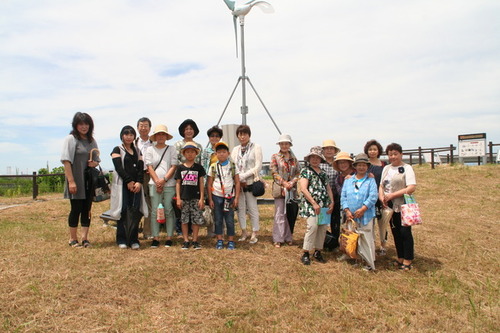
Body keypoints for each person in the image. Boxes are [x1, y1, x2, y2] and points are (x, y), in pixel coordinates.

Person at [61, 112, 100, 248]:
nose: (84, 127)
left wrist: (93, 163)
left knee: (87, 209)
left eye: (86, 124)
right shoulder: (71, 139)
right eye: (81, 124)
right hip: (76, 179)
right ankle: (73, 239)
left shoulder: (91, 141)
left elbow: (96, 160)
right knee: (76, 208)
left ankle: (85, 238)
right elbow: (66, 161)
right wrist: (71, 181)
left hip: (88, 181)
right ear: (75, 125)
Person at [379, 143, 417, 271]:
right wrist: (381, 197)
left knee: (405, 232)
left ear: (401, 154)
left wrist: (392, 195)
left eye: (395, 154)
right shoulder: (386, 168)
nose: (393, 157)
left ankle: (408, 259)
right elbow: (381, 186)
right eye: (390, 154)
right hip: (389, 205)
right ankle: (400, 257)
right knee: (395, 232)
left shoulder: (407, 168)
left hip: (403, 205)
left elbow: (411, 187)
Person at [110, 126, 147, 249]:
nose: (129, 136)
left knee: (135, 211)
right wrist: (128, 181)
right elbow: (118, 167)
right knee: (123, 211)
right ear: (122, 135)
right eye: (126, 134)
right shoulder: (117, 149)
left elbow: (141, 169)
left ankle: (133, 239)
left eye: (131, 134)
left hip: (136, 186)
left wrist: (139, 182)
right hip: (122, 186)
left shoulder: (137, 150)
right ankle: (122, 239)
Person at [341, 153, 378, 271]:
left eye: (364, 165)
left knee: (366, 238)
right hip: (351, 215)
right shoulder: (348, 180)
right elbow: (343, 196)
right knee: (354, 238)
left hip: (365, 214)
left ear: (367, 166)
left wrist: (363, 208)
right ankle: (358, 259)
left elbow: (373, 196)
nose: (361, 167)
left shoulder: (370, 180)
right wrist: (346, 210)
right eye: (359, 165)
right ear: (355, 166)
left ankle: (369, 263)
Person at [299, 146, 334, 265]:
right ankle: (306, 252)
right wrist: (313, 203)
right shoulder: (305, 171)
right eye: (312, 157)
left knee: (322, 228)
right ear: (309, 158)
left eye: (317, 157)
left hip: (323, 204)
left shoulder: (323, 173)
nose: (315, 159)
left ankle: (318, 251)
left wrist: (332, 201)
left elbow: (328, 188)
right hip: (311, 204)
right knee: (312, 226)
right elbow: (303, 189)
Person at [145, 124, 178, 248]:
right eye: (158, 134)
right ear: (155, 136)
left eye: (163, 134)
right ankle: (156, 237)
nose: (161, 136)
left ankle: (169, 237)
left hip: (169, 184)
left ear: (166, 136)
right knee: (154, 211)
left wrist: (163, 180)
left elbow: (173, 166)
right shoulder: (150, 149)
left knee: (169, 210)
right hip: (154, 184)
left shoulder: (172, 149)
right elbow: (149, 167)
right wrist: (157, 181)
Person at [231, 125, 263, 243]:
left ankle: (255, 232)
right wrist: (238, 179)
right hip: (238, 184)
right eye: (240, 134)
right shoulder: (235, 150)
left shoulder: (256, 147)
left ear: (249, 135)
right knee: (240, 208)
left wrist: (243, 177)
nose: (242, 136)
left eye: (245, 134)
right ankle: (244, 231)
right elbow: (233, 166)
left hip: (250, 182)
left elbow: (258, 166)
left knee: (252, 208)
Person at [207, 141, 240, 250]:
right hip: (216, 196)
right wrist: (210, 199)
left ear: (228, 153)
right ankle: (219, 240)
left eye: (224, 152)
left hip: (229, 197)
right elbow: (209, 183)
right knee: (218, 219)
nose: (221, 154)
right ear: (215, 154)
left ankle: (231, 241)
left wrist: (236, 198)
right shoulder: (213, 166)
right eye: (219, 152)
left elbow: (237, 182)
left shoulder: (233, 165)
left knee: (230, 219)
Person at [270, 134, 300, 247]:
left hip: (291, 190)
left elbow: (298, 172)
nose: (284, 145)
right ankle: (278, 238)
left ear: (290, 145)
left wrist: (291, 183)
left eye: (286, 143)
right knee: (279, 214)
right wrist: (284, 183)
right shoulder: (275, 157)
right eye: (282, 143)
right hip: (280, 189)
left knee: (290, 214)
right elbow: (274, 172)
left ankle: (288, 236)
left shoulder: (294, 158)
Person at [174, 119, 203, 235]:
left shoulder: (199, 146)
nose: (189, 131)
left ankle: (193, 232)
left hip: (196, 180)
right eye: (186, 129)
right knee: (181, 206)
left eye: (191, 129)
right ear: (182, 131)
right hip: (181, 179)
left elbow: (201, 163)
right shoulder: (178, 145)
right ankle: (181, 231)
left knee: (195, 207)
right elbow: (175, 162)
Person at [175, 142, 206, 250]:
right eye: (187, 152)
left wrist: (202, 198)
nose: (190, 154)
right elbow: (178, 183)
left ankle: (195, 240)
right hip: (184, 198)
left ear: (195, 154)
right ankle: (186, 240)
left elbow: (201, 183)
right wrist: (178, 198)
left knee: (196, 219)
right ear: (184, 154)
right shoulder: (180, 168)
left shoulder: (199, 168)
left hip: (196, 198)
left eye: (192, 152)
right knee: (184, 220)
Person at [363, 139, 388, 255]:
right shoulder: (365, 164)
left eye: (374, 149)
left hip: (382, 196)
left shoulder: (384, 165)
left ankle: (383, 246)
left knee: (383, 222)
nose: (372, 151)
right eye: (370, 149)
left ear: (378, 151)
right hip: (368, 197)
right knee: (370, 222)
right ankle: (371, 244)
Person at [200, 125, 223, 238]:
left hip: (222, 183)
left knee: (221, 207)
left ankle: (221, 230)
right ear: (209, 138)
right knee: (210, 206)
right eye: (212, 136)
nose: (214, 138)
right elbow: (203, 167)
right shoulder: (205, 152)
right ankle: (210, 231)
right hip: (209, 183)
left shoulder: (224, 151)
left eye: (217, 136)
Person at [320, 139, 341, 250]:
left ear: (335, 151)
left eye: (331, 148)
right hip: (322, 198)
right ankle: (323, 242)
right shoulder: (319, 164)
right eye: (326, 148)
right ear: (323, 151)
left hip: (336, 197)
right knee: (322, 222)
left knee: (335, 221)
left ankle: (335, 243)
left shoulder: (338, 164)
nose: (329, 151)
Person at [135, 117, 153, 239]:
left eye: (146, 125)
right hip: (136, 175)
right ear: (137, 128)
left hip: (150, 175)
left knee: (150, 203)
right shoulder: (133, 142)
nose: (143, 128)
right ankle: (133, 231)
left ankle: (147, 232)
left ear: (149, 128)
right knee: (135, 203)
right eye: (141, 125)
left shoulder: (154, 142)